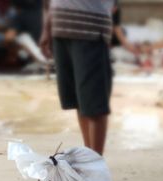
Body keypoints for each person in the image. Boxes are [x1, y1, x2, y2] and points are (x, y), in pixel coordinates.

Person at [39, 0, 114, 155]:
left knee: (94, 104)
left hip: (89, 28)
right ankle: (88, 158)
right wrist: (47, 27)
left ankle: (95, 165)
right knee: (80, 101)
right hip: (60, 27)